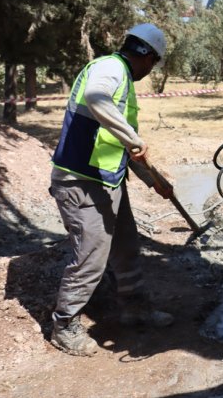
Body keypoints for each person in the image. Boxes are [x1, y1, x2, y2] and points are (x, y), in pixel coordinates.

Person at [49, 23, 176, 357]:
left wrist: (155, 181)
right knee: (91, 256)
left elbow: (122, 147)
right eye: (155, 62)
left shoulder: (123, 83)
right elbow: (94, 98)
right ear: (147, 55)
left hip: (107, 182)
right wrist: (134, 139)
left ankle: (136, 309)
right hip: (81, 182)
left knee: (126, 249)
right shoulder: (109, 68)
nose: (152, 70)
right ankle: (64, 326)